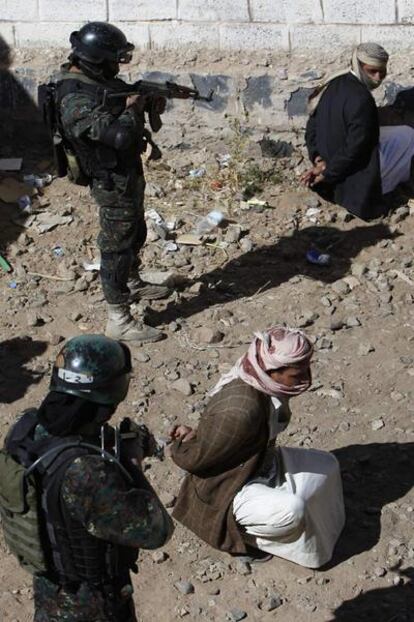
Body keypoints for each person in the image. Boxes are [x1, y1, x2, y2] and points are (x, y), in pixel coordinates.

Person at [0, 334, 174, 621]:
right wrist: (132, 463)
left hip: (49, 591)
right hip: (92, 606)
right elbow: (157, 531)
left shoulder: (25, 430)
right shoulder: (85, 473)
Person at [169, 326, 345, 568]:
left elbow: (223, 435)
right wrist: (182, 443)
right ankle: (240, 536)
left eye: (307, 369)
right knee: (293, 511)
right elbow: (196, 459)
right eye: (297, 373)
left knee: (328, 464)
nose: (306, 379)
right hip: (229, 485)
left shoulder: (262, 383)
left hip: (260, 461)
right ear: (272, 371)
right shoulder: (241, 412)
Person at [55, 22, 170, 343]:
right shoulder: (74, 99)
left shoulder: (97, 82)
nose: (117, 66)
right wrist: (133, 108)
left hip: (125, 173)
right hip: (108, 178)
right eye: (114, 59)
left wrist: (145, 102)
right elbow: (118, 135)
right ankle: (119, 318)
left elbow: (116, 108)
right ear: (97, 59)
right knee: (116, 246)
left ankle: (131, 281)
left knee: (135, 231)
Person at [302, 42, 414, 221]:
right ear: (358, 66)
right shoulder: (362, 98)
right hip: (347, 187)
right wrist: (326, 173)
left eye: (382, 72)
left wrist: (318, 159)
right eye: (372, 71)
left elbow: (311, 128)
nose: (378, 78)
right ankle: (387, 187)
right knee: (408, 139)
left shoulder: (333, 83)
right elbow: (356, 148)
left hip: (330, 165)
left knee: (405, 134)